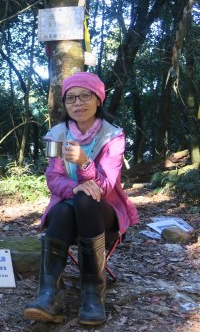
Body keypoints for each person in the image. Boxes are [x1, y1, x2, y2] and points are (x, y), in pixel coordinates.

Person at [23, 72, 139, 326]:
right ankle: (48, 295)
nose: (78, 103)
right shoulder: (58, 134)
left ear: (98, 99)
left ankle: (92, 295)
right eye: (71, 98)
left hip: (102, 215)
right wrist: (73, 189)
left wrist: (84, 163)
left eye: (85, 96)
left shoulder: (112, 136)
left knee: (87, 201)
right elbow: (53, 178)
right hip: (66, 209)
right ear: (65, 104)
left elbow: (106, 186)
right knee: (68, 208)